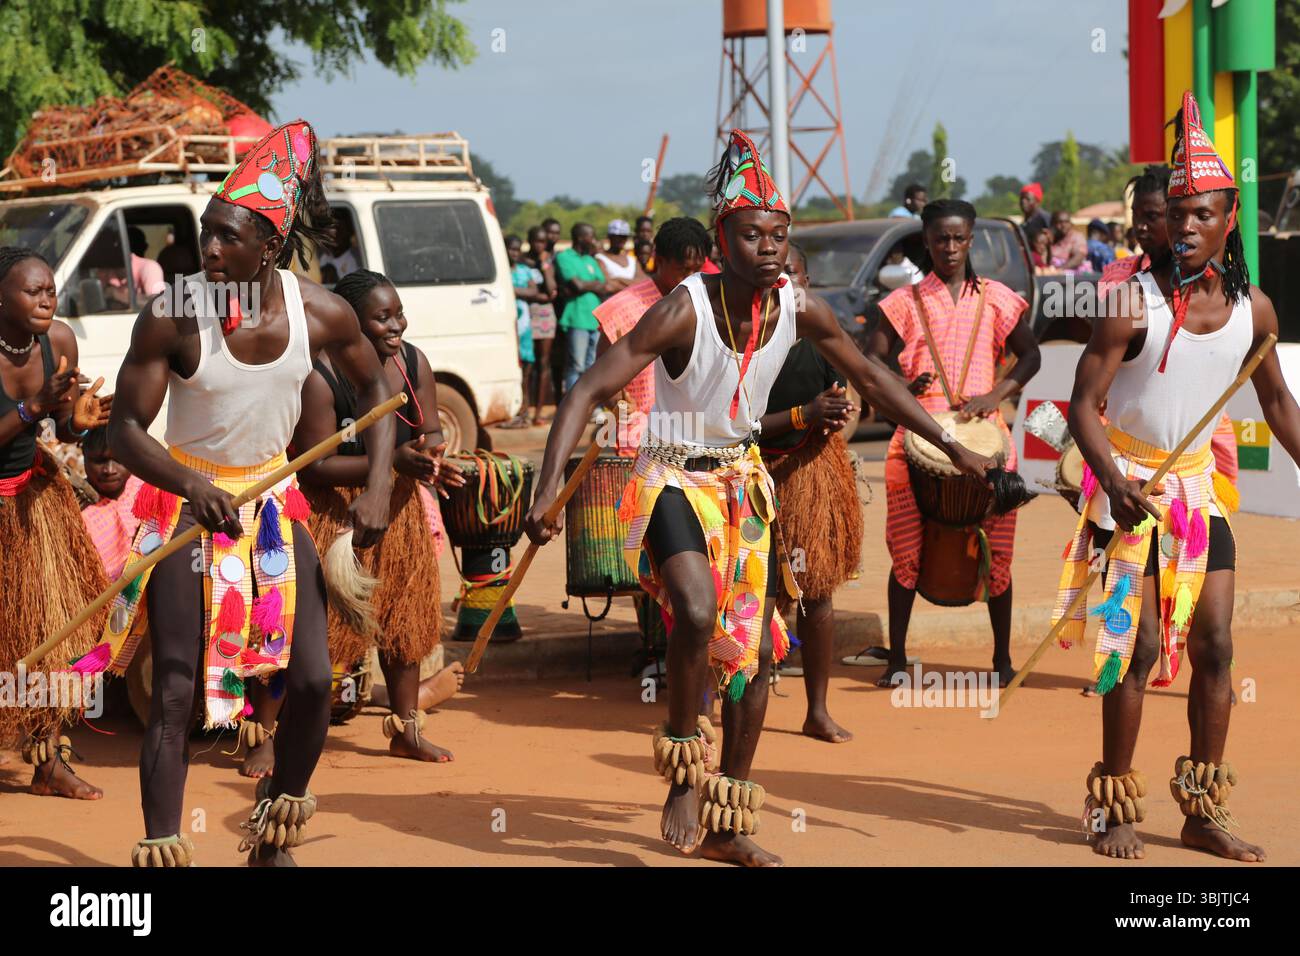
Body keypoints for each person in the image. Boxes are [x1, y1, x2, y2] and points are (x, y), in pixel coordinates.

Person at [522, 130, 994, 867]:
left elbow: (874, 381)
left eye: (779, 234)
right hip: (671, 476)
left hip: (743, 481)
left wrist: (951, 440)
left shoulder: (800, 308)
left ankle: (728, 817)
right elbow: (587, 387)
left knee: (753, 654)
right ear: (722, 239)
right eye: (752, 234)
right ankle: (683, 760)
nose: (769, 246)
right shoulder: (684, 309)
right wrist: (549, 484)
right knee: (699, 611)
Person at [97, 120, 397, 868]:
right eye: (207, 234)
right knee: (174, 687)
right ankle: (163, 849)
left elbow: (380, 392)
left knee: (315, 678)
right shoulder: (173, 312)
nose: (210, 251)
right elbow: (124, 430)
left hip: (272, 504)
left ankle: (273, 835)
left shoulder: (321, 312)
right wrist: (188, 483)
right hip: (183, 503)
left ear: (271, 243)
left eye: (228, 238)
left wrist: (380, 482)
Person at [1055, 94, 1300, 863]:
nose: (1186, 226)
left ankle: (1200, 811)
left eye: (1203, 215)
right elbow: (1082, 405)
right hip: (1128, 485)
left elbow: (1279, 404)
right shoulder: (1131, 303)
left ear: (1230, 221)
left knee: (1218, 645)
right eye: (1178, 214)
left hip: (1196, 492)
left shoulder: (1253, 310)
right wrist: (1111, 482)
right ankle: (1114, 800)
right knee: (1139, 646)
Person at [281, 269, 463, 765]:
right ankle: (274, 733)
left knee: (403, 622)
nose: (396, 325)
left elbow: (428, 434)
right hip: (334, 508)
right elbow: (315, 465)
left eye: (398, 313)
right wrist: (390, 465)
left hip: (399, 508)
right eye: (381, 317)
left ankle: (406, 729)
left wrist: (433, 462)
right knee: (318, 628)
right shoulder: (318, 375)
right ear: (350, 323)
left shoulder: (412, 362)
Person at [868, 199, 1041, 687]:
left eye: (958, 238)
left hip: (987, 442)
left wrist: (996, 393)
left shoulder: (998, 298)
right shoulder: (904, 301)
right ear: (926, 240)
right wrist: (903, 390)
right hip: (915, 438)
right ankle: (897, 658)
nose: (948, 246)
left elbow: (1030, 356)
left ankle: (1002, 661)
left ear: (970, 240)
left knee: (999, 554)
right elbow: (871, 359)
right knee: (905, 552)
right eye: (940, 238)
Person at [0, 246, 113, 801]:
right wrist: (30, 408)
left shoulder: (59, 341)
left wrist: (77, 423)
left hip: (36, 501)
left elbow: (63, 427)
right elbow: (32, 412)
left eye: (50, 290)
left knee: (51, 631)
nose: (47, 299)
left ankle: (49, 762)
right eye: (32, 291)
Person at [759, 243, 859, 743]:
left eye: (793, 275)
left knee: (816, 591)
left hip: (810, 474)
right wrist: (803, 416)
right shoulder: (744, 342)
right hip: (750, 476)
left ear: (808, 280)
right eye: (777, 276)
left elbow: (846, 400)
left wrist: (835, 415)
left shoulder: (822, 339)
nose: (786, 285)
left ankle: (817, 709)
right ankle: (716, 704)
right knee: (744, 596)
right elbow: (733, 425)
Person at [593, 217, 710, 455]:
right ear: (660, 260)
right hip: (640, 436)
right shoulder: (622, 308)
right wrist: (619, 403)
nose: (691, 277)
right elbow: (600, 374)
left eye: (697, 269)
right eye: (683, 269)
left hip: (696, 432)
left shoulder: (708, 302)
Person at [80, 425, 144, 581]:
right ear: (85, 456)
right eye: (99, 461)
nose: (109, 470)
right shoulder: (77, 513)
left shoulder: (144, 489)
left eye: (118, 460)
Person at [554, 222, 608, 393]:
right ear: (580, 238)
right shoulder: (564, 257)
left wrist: (586, 284)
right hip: (577, 319)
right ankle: (572, 406)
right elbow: (577, 285)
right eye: (591, 236)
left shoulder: (590, 259)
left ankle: (591, 407)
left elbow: (604, 285)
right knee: (576, 365)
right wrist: (591, 284)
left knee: (592, 367)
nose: (593, 241)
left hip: (595, 321)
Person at [523, 225, 558, 424]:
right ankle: (524, 410)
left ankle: (538, 413)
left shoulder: (547, 262)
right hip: (525, 314)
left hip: (545, 315)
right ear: (529, 240)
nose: (540, 245)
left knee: (543, 363)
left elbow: (552, 291)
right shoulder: (522, 262)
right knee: (527, 365)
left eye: (543, 242)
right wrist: (539, 295)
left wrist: (544, 266)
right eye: (536, 240)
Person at [506, 235, 538, 426]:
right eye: (511, 249)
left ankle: (524, 410)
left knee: (526, 370)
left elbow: (533, 291)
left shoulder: (525, 271)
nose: (515, 253)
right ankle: (513, 410)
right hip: (509, 325)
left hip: (525, 326)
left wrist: (511, 290)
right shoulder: (501, 270)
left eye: (518, 250)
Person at [595, 219, 643, 295]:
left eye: (625, 237)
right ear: (610, 236)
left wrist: (618, 279)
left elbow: (644, 282)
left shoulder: (632, 260)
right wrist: (634, 284)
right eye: (619, 236)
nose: (622, 240)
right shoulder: (600, 259)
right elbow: (608, 285)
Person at [128, 227, 167, 300]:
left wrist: (116, 294)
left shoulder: (149, 268)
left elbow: (157, 304)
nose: (146, 246)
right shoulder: (106, 270)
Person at [318, 215, 360, 282]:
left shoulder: (353, 261)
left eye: (339, 230)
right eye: (331, 230)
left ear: (347, 234)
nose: (335, 235)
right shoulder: (325, 257)